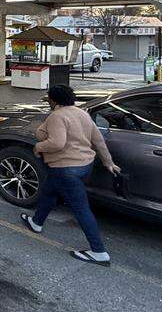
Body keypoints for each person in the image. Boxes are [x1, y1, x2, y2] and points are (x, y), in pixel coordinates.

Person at [20, 84, 121, 266]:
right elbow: (98, 140)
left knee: (81, 209)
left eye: (48, 98)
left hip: (66, 168)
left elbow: (57, 143)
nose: (47, 100)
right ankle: (37, 222)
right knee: (50, 192)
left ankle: (99, 251)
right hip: (84, 166)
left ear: (53, 99)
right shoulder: (82, 113)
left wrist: (38, 147)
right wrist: (108, 162)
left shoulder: (57, 116)